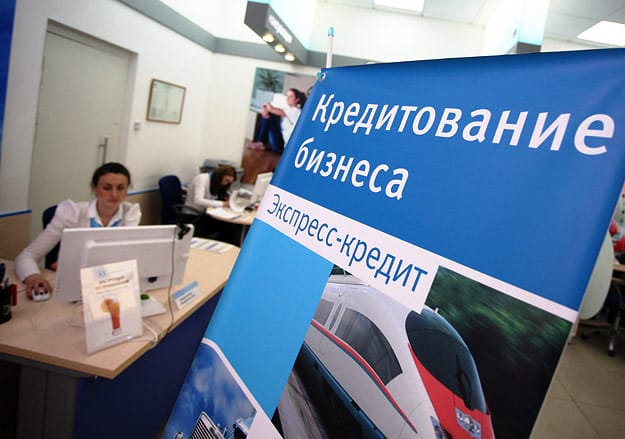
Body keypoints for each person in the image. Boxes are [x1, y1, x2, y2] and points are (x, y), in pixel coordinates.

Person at [15, 162, 141, 298]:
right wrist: (33, 277)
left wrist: (75, 265)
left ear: (127, 190)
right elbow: (26, 256)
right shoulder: (72, 213)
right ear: (95, 189)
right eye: (107, 188)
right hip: (71, 287)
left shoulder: (130, 213)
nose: (114, 194)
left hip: (109, 285)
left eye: (120, 188)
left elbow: (126, 259)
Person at [184, 165, 239, 244]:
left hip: (205, 213)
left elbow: (214, 197)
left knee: (230, 225)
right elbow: (198, 200)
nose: (225, 184)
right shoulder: (202, 179)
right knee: (227, 225)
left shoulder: (215, 182)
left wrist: (228, 198)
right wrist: (223, 204)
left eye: (229, 182)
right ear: (220, 176)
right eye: (226, 180)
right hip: (192, 215)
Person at [248, 88, 307, 153]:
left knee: (269, 115)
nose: (287, 98)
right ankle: (260, 142)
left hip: (282, 147)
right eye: (287, 96)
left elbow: (271, 109)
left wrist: (266, 107)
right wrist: (265, 110)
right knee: (269, 115)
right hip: (279, 140)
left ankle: (261, 142)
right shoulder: (286, 109)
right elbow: (270, 109)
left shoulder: (296, 111)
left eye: (291, 96)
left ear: (297, 100)